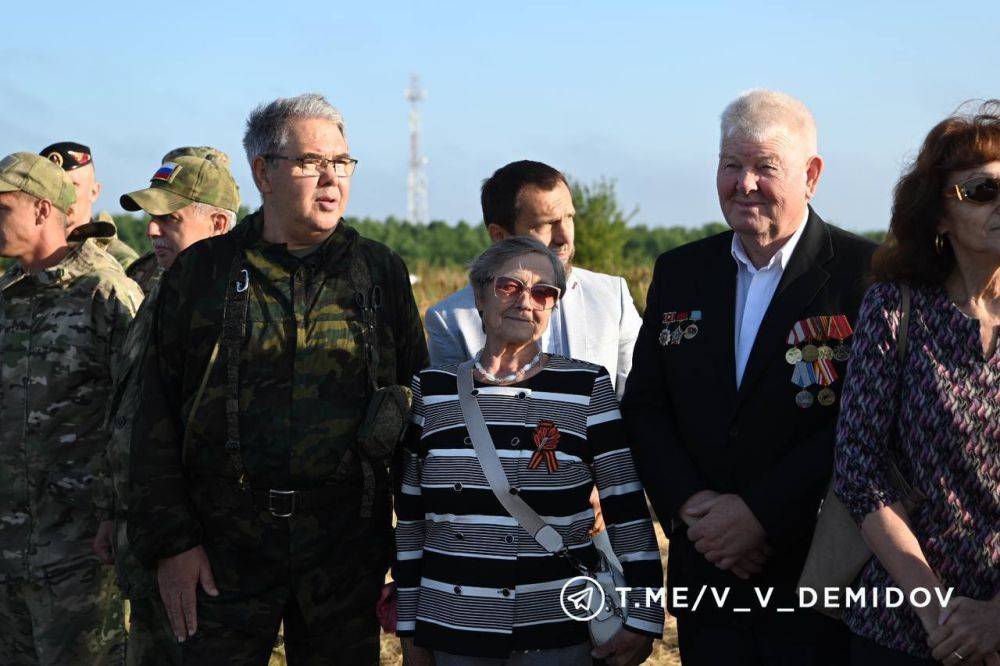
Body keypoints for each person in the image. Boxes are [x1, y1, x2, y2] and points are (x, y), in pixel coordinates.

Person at [128, 93, 429, 665]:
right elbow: (154, 415)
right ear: (263, 172)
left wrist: (412, 551)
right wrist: (173, 543)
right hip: (221, 552)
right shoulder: (205, 272)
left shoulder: (378, 271)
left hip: (344, 550)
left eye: (342, 162)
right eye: (311, 162)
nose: (331, 178)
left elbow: (418, 411)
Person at [622, 90, 877, 665]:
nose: (745, 184)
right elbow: (646, 406)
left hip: (816, 572)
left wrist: (759, 513)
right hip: (708, 567)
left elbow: (861, 423)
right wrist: (694, 508)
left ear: (811, 175)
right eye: (731, 165)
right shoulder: (681, 271)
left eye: (766, 167)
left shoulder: (865, 276)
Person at [396, 237, 663, 666]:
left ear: (553, 307)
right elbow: (410, 522)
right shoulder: (433, 390)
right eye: (510, 286)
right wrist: (409, 631)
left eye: (543, 292)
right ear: (480, 295)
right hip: (455, 626)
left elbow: (626, 508)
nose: (527, 301)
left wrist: (646, 617)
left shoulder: (586, 387)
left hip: (559, 629)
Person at [834, 101, 1000, 666]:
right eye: (983, 192)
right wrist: (937, 613)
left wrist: (995, 616)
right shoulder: (896, 307)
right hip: (902, 627)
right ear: (939, 217)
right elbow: (860, 471)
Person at [0, 151, 141, 664]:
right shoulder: (7, 296)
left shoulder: (105, 292)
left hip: (81, 553)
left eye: (2, 209)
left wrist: (115, 516)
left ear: (40, 210)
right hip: (10, 551)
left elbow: (136, 415)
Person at [102, 155, 240, 665]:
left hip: (196, 551)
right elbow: (132, 409)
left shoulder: (232, 300)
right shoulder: (160, 284)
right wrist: (115, 512)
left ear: (219, 224)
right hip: (146, 535)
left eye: (170, 219)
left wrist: (182, 540)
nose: (154, 231)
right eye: (150, 219)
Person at [425, 160, 641, 400]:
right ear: (500, 235)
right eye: (546, 224)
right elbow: (450, 416)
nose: (565, 237)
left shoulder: (612, 296)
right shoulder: (450, 321)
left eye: (569, 218)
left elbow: (637, 400)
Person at [126, 146, 235, 294]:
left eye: (170, 217)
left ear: (217, 225)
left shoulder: (244, 295)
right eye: (152, 216)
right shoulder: (166, 288)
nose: (151, 230)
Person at [40, 141, 140, 269]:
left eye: (72, 185)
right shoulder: (32, 258)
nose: (60, 195)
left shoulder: (123, 262)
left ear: (94, 192)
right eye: (52, 186)